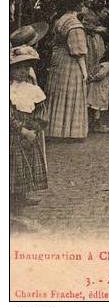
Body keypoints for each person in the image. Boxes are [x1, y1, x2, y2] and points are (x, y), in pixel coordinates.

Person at [10, 46, 48, 211]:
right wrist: (21, 130)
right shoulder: (9, 90)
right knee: (15, 165)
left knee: (28, 164)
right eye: (18, 68)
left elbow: (42, 110)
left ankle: (23, 194)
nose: (23, 71)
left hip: (30, 131)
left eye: (26, 68)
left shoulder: (32, 90)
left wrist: (35, 127)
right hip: (13, 133)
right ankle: (13, 199)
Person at [46, 0, 89, 140]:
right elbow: (78, 52)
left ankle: (55, 130)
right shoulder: (75, 24)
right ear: (78, 6)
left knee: (58, 94)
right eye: (83, 4)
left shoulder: (61, 20)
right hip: (70, 62)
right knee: (71, 93)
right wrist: (84, 72)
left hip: (57, 60)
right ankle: (70, 132)